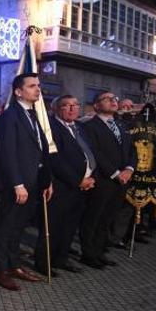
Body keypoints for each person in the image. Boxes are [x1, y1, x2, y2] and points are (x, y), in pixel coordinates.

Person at [0, 73, 51, 290]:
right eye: (32, 86)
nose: (38, 89)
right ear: (18, 91)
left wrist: (46, 181)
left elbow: (40, 149)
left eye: (39, 86)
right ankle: (1, 270)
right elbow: (8, 152)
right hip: (16, 184)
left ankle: (14, 265)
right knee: (6, 227)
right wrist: (17, 183)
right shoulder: (9, 116)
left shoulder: (33, 115)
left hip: (33, 182)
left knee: (19, 227)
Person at [35, 94, 94, 275]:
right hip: (61, 186)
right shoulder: (51, 128)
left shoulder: (80, 128)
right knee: (53, 226)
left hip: (82, 187)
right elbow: (55, 159)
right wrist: (78, 180)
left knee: (69, 226)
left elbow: (89, 153)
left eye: (75, 105)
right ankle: (44, 263)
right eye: (66, 105)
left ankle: (61, 258)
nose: (72, 109)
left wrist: (91, 176)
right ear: (56, 109)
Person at [79, 91, 136, 268]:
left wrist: (129, 169)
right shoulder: (89, 126)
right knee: (94, 217)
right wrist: (115, 173)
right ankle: (88, 254)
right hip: (103, 179)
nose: (113, 101)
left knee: (108, 218)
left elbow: (132, 150)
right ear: (96, 105)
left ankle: (100, 250)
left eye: (114, 99)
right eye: (107, 99)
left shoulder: (121, 125)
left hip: (122, 181)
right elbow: (95, 152)